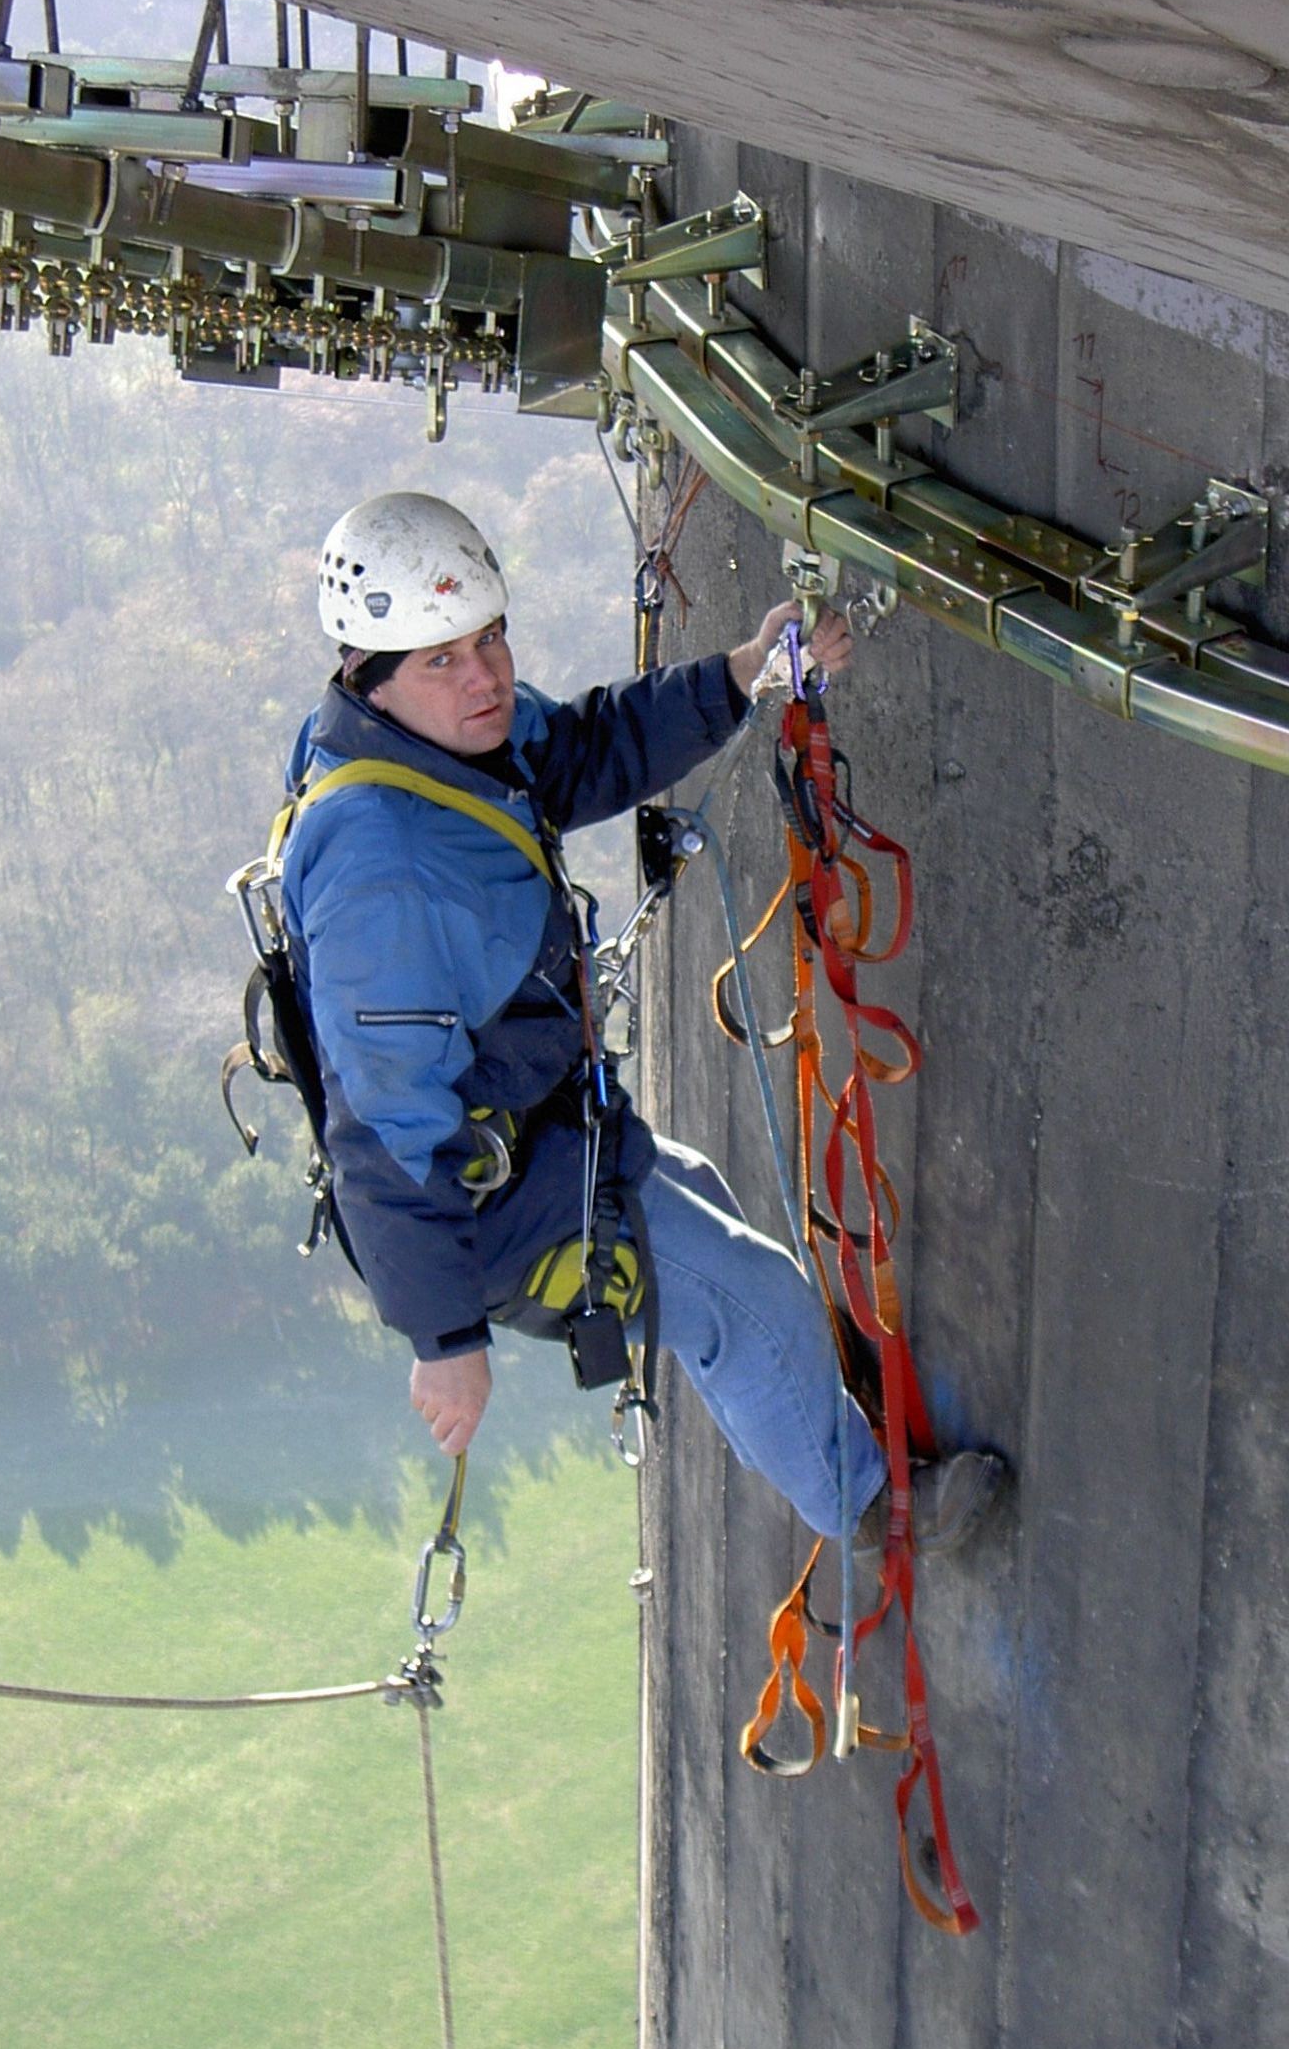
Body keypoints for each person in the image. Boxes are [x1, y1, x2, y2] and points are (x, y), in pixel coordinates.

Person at [282, 490, 1001, 1556]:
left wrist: (738, 674)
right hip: (482, 1206)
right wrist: (445, 1340)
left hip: (542, 1132)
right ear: (369, 673)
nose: (485, 678)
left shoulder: (435, 742)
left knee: (709, 1213)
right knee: (745, 1300)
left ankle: (806, 1408)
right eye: (443, 660)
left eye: (489, 641)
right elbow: (386, 1134)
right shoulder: (381, 868)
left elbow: (578, 752)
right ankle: (869, 1510)